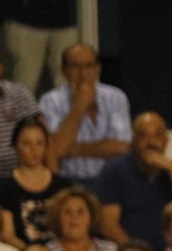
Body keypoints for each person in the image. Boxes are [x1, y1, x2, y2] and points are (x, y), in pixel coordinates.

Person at [95, 112, 172, 251]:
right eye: (143, 136)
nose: (151, 142)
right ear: (133, 140)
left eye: (157, 136)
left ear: (166, 141)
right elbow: (108, 225)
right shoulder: (114, 170)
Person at [38, 44, 129, 184]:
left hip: (111, 182)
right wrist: (79, 106)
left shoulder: (116, 97)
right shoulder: (50, 101)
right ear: (64, 70)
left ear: (98, 68)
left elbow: (122, 148)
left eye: (89, 66)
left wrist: (74, 149)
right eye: (75, 66)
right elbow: (58, 150)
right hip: (69, 182)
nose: (83, 73)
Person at [0, 117, 69, 247]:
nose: (34, 149)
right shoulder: (4, 188)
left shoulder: (63, 186)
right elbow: (7, 234)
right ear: (15, 146)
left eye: (39, 143)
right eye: (26, 143)